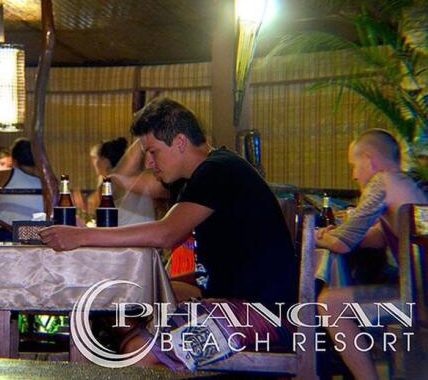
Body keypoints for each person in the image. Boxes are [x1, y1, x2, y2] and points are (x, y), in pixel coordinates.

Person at [40, 97, 297, 370]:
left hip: (265, 314)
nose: (149, 162)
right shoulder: (200, 174)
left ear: (180, 142)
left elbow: (166, 233)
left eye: (153, 152)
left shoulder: (218, 170)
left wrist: (82, 236)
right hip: (233, 301)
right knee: (126, 310)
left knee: (137, 352)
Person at [315, 129, 426, 380]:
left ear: (369, 159)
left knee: (329, 304)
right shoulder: (407, 184)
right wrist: (334, 235)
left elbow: (343, 243)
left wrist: (317, 236)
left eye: (354, 166)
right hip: (421, 293)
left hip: (418, 300)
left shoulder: (383, 181)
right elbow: (375, 238)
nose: (354, 175)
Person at [88, 137, 156, 225]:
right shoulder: (131, 179)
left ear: (105, 161)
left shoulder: (111, 184)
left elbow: (102, 217)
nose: (93, 163)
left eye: (95, 158)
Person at [0, 138, 44, 229]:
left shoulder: (5, 175)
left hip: (6, 232)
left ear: (14, 161)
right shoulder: (48, 182)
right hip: (36, 233)